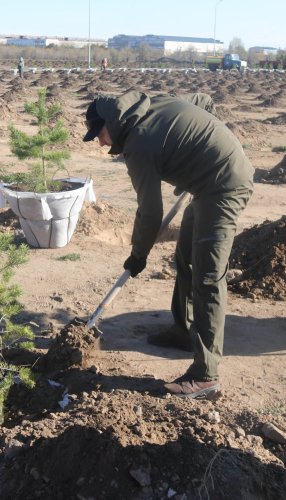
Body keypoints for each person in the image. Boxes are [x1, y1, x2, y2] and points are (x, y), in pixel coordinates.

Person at [83, 91, 254, 400]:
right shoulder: (151, 103)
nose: (101, 142)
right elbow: (202, 102)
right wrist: (195, 153)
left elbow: (150, 213)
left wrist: (138, 255)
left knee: (207, 276)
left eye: (100, 134)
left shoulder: (138, 144)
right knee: (186, 256)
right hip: (207, 183)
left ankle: (206, 376)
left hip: (225, 186)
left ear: (111, 123)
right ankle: (183, 330)